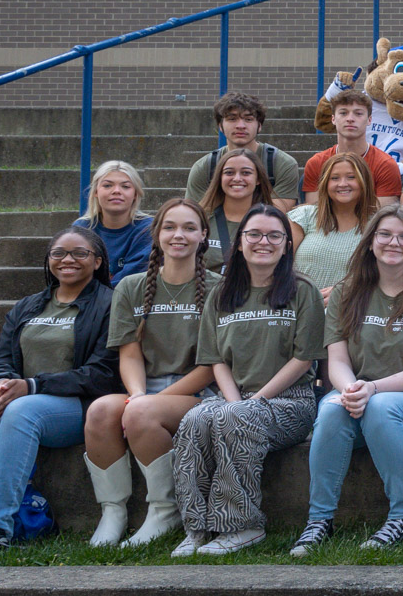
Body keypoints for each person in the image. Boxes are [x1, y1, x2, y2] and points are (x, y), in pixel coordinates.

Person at [0, 227, 115, 565]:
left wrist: (32, 386)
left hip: (81, 408)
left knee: (21, 411)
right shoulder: (29, 305)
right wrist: (0, 385)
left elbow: (102, 375)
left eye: (79, 253)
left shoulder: (109, 304)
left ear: (98, 261)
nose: (67, 259)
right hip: (25, 399)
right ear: (49, 260)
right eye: (59, 253)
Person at [289, 205, 403, 555]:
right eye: (385, 234)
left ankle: (402, 517)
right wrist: (350, 389)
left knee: (379, 407)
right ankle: (319, 521)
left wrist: (372, 389)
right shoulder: (348, 290)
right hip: (361, 392)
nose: (393, 242)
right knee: (332, 410)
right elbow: (336, 360)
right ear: (370, 242)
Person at [171, 203, 323, 556]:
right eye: (254, 234)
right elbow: (215, 360)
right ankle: (197, 528)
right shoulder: (221, 294)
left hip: (291, 403)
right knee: (194, 418)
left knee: (232, 416)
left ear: (287, 244)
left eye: (274, 235)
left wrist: (252, 402)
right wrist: (235, 400)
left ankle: (242, 525)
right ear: (240, 242)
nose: (263, 241)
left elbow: (304, 359)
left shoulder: (303, 291)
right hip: (235, 398)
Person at [83, 199, 220, 548]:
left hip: (202, 393)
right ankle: (113, 511)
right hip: (147, 389)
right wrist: (140, 394)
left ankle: (164, 509)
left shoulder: (221, 287)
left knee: (140, 411)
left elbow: (211, 366)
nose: (179, 235)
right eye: (170, 227)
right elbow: (129, 354)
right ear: (156, 234)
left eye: (190, 228)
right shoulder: (131, 286)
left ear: (203, 235)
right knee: (100, 411)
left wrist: (148, 404)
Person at [185, 92, 301, 210]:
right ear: (220, 126)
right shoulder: (204, 167)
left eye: (248, 119)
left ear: (259, 125)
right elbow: (195, 215)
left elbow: (277, 215)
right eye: (232, 119)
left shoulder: (282, 164)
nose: (240, 125)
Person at [289, 152, 378, 294]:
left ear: (364, 181)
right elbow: (279, 263)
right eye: (335, 178)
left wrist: (344, 292)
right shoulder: (303, 216)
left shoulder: (378, 224)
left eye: (351, 177)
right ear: (325, 183)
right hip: (300, 303)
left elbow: (385, 275)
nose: (343, 184)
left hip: (352, 307)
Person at [305, 88, 403, 206]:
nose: (350, 119)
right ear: (333, 119)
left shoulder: (385, 165)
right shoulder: (316, 163)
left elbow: (383, 217)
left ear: (369, 120)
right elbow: (313, 214)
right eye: (343, 113)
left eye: (358, 113)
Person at [198, 147, 277, 270]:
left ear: (258, 179)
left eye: (246, 173)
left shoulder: (273, 222)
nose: (237, 178)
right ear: (219, 178)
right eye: (229, 172)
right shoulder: (201, 219)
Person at [74, 160, 155, 279]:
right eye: (107, 185)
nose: (116, 191)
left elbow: (134, 278)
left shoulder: (148, 229)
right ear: (96, 191)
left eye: (125, 186)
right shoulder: (82, 228)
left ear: (135, 194)